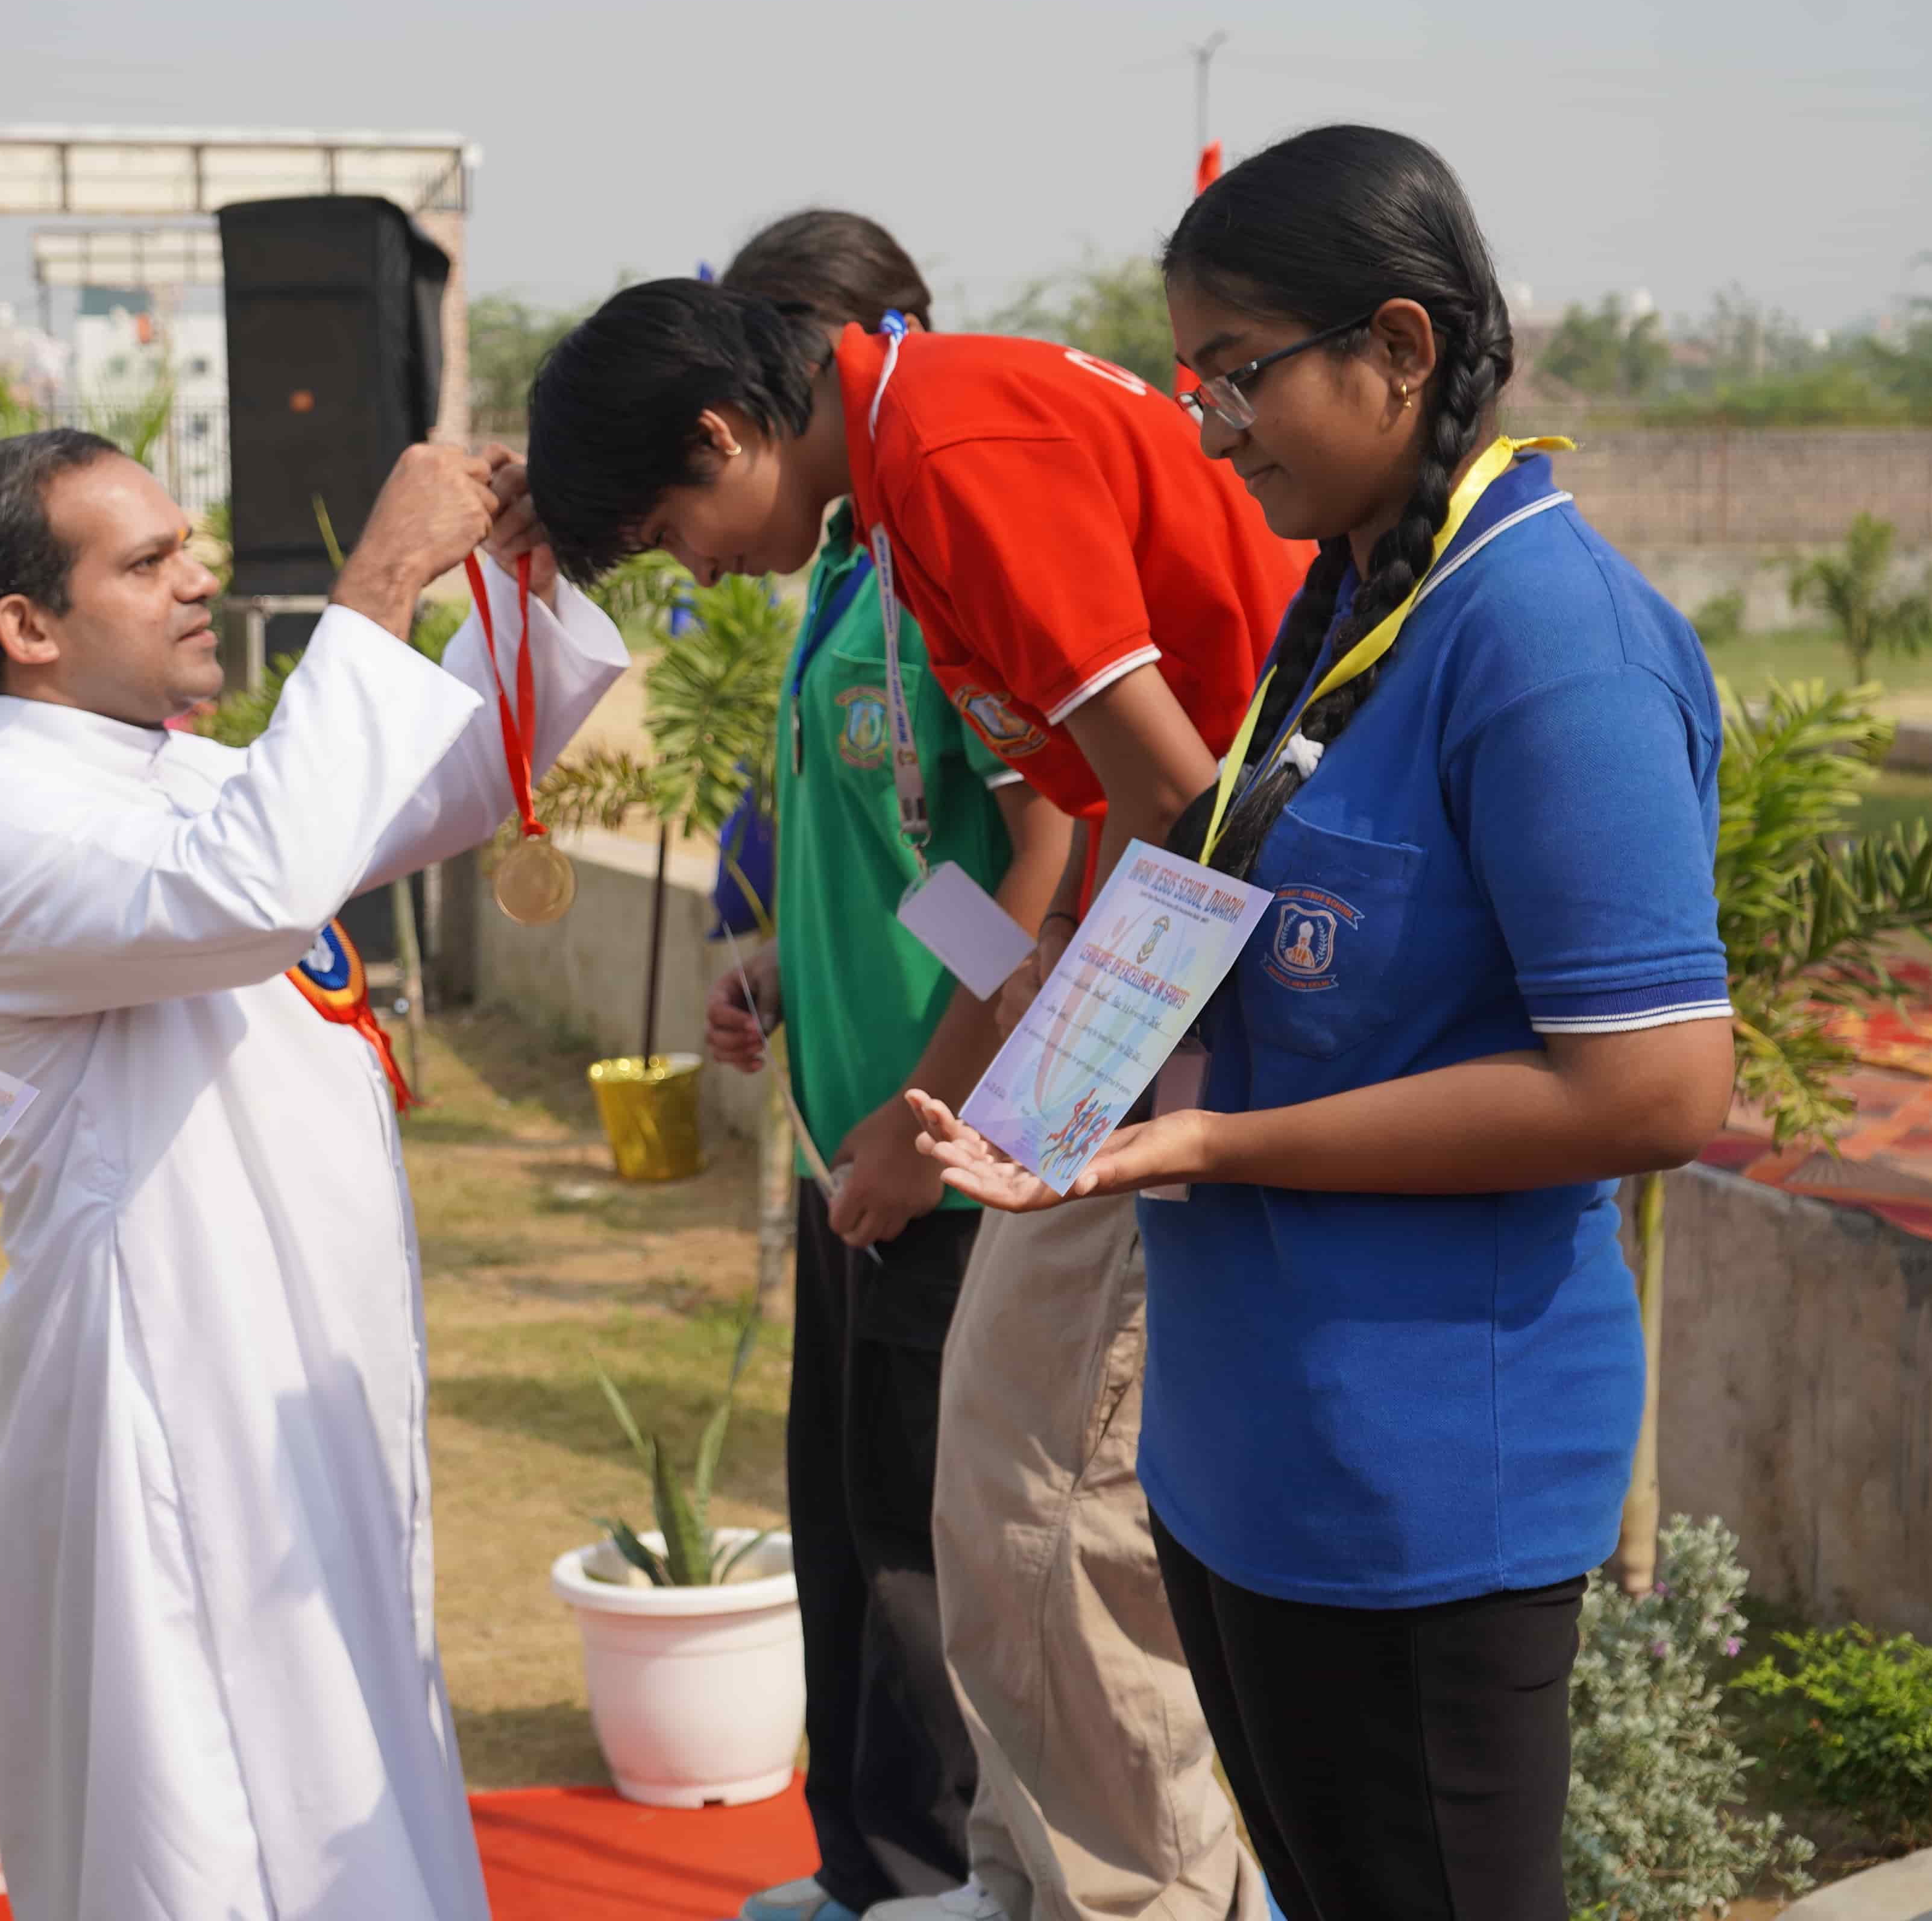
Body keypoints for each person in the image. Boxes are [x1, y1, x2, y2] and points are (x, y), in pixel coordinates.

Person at [917, 127, 1734, 1920]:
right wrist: (1047, 1072)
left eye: (1236, 377)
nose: (1208, 430)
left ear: (1398, 345)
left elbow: (1656, 1083)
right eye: (1188, 378)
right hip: (1244, 1444)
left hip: (1419, 1472)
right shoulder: (1347, 594)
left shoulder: (1544, 639)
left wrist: (1218, 1140)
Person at [529, 276, 1304, 1921]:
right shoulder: (893, 493)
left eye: (675, 526)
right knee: (988, 1483)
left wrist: (1044, 1106)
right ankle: (1023, 1883)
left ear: (727, 431)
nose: (703, 567)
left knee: (1050, 1514)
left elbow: (1169, 797)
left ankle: (1138, 1903)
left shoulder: (953, 447)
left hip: (1193, 1024)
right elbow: (1097, 811)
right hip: (1095, 1026)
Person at [0, 427, 624, 1920]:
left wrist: (512, 573)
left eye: (190, 544)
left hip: (290, 1360)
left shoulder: (181, 776)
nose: (199, 578)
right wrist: (373, 583)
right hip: (167, 1392)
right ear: (27, 628)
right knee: (212, 1817)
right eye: (149, 560)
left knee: (343, 1769)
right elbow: (259, 884)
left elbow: (446, 786)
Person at [691, 215, 1078, 1921]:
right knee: (841, 1526)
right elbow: (890, 842)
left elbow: (1046, 855)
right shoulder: (852, 569)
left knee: (931, 1554)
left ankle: (933, 1880)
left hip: (930, 1141)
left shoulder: (948, 553)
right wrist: (788, 962)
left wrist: (932, 1119)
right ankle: (856, 1867)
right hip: (843, 1136)